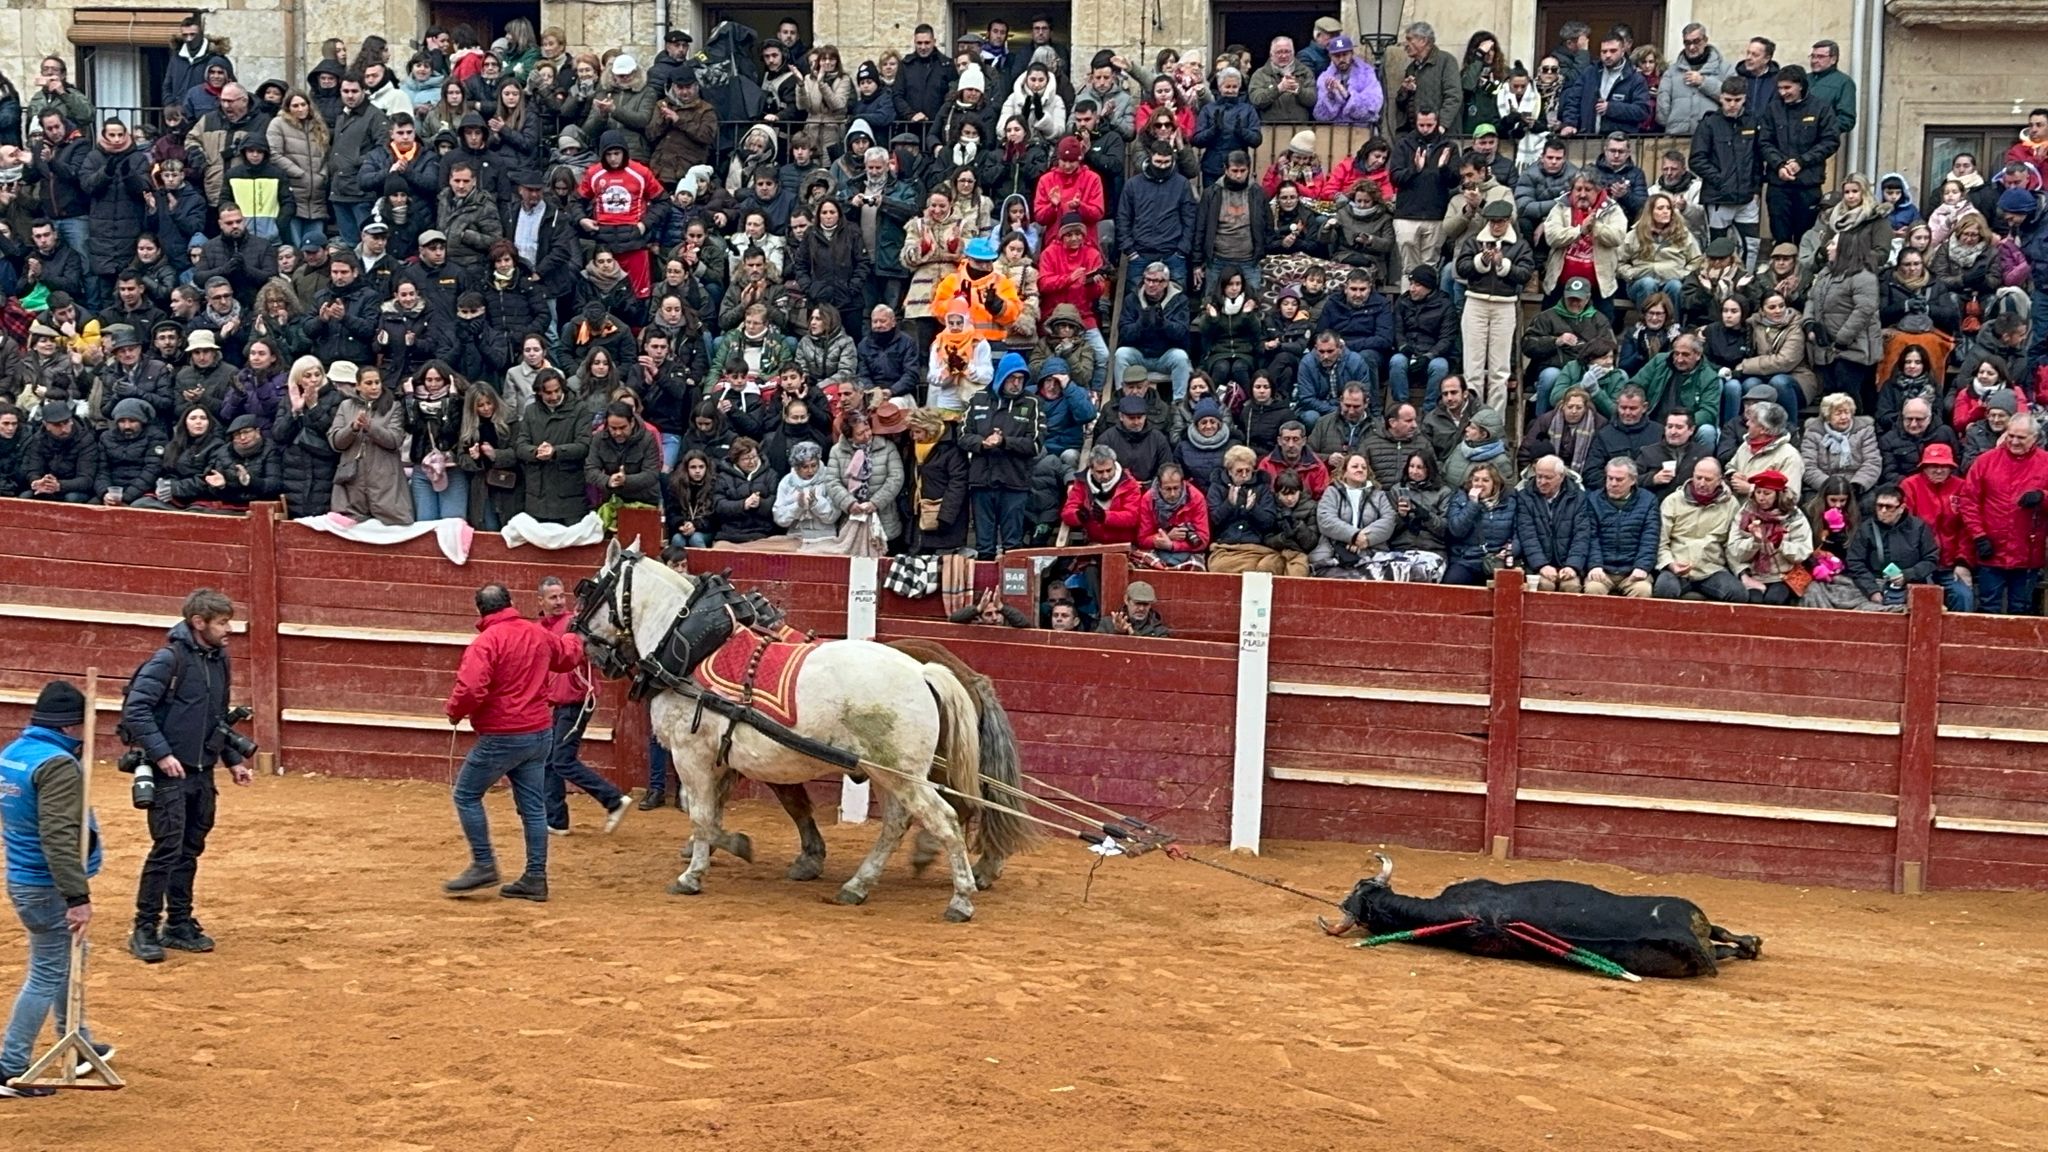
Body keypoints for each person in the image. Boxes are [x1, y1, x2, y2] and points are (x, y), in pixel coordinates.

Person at [121, 588, 250, 964]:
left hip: (201, 771)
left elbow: (217, 718)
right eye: (223, 622)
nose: (230, 629)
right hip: (168, 774)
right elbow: (136, 711)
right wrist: (161, 755)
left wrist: (232, 760)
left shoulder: (218, 658)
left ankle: (178, 923)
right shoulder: (168, 659)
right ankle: (144, 928)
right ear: (199, 623)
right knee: (167, 849)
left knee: (190, 848)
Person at [0, 680, 112, 1097]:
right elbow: (59, 837)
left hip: (23, 877)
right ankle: (10, 1066)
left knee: (69, 959)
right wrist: (77, 897)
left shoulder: (13, 754)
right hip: (47, 885)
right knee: (48, 971)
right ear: (69, 727)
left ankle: (75, 1042)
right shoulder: (59, 766)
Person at [444, 582, 585, 902]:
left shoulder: (486, 642)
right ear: (510, 603)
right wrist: (574, 635)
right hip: (539, 731)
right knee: (533, 807)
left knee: (466, 794)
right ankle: (535, 876)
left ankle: (484, 863)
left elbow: (470, 690)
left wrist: (454, 711)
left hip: (503, 734)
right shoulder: (536, 632)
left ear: (480, 610)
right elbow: (566, 657)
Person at [535, 577, 631, 835]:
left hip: (577, 701)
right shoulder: (544, 627)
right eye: (553, 597)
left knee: (562, 761)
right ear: (540, 601)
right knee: (550, 760)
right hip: (562, 703)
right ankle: (556, 820)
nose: (558, 602)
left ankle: (613, 799)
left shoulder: (573, 624)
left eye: (561, 596)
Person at [1962, 412, 2048, 613]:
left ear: (2034, 438)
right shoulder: (1985, 461)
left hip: (2027, 553)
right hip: (1991, 550)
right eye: (2011, 436)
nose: (2014, 441)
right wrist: (1979, 536)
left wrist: (2043, 497)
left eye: (2021, 437)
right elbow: (1969, 501)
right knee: (1988, 607)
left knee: (2022, 609)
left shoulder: (2045, 462)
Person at [1655, 457, 1744, 601]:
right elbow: (1660, 541)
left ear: (1719, 480)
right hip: (1676, 567)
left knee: (1738, 594)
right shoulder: (1673, 500)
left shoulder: (1731, 504)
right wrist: (1670, 564)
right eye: (1698, 478)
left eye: (1708, 480)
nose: (1702, 483)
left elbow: (1732, 545)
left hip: (1711, 569)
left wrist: (1742, 574)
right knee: (1665, 589)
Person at [1726, 468, 1813, 604]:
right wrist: (1755, 542)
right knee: (1753, 601)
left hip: (1784, 576)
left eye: (1767, 493)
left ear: (1778, 495)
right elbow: (1734, 550)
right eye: (1758, 492)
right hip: (1753, 575)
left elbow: (1804, 550)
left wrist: (1780, 545)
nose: (1761, 498)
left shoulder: (1794, 516)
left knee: (1773, 600)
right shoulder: (1745, 513)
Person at [1097, 580, 1170, 638]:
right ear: (1126, 600)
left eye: (1146, 604)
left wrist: (1133, 634)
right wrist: (1117, 632)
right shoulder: (1107, 624)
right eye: (1137, 603)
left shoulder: (1160, 632)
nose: (1141, 608)